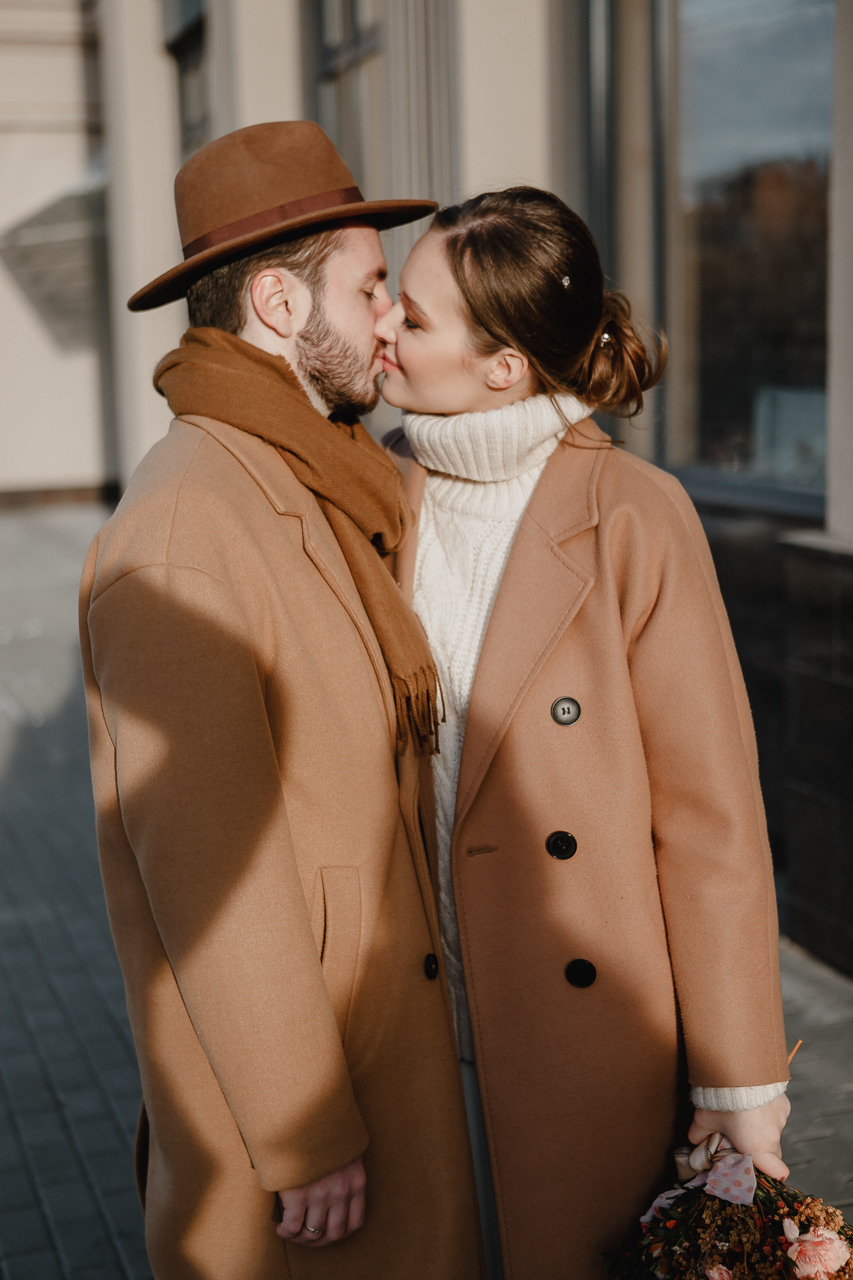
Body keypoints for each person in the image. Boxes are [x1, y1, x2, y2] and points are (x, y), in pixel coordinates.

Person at [78, 122, 484, 1280]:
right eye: (369, 290)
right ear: (276, 302)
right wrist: (303, 1130)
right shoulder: (183, 533)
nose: (390, 321)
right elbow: (212, 872)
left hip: (376, 1047)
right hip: (310, 1125)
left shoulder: (309, 474)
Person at [375, 186, 792, 1280]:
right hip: (410, 1028)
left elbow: (709, 820)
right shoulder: (374, 493)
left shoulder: (634, 517)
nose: (383, 328)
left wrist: (740, 1079)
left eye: (413, 318)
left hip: (581, 1037)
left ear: (502, 365)